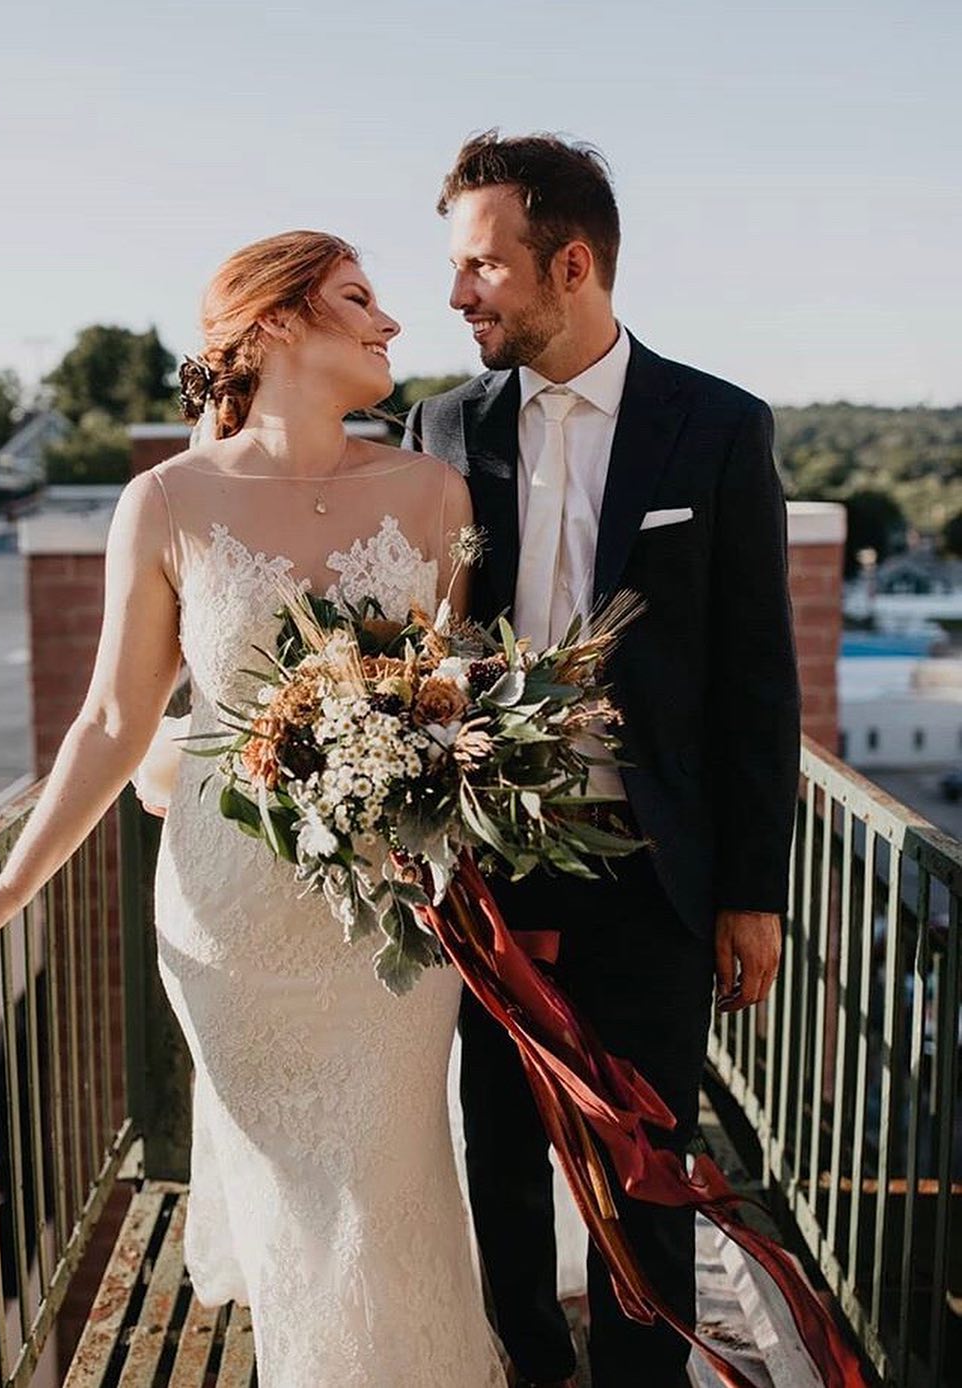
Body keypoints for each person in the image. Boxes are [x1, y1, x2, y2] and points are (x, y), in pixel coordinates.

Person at [0, 231, 507, 1388]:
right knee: (299, 1204)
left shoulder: (431, 491)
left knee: (389, 1172)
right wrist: (6, 884)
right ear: (271, 326)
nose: (392, 322)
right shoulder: (163, 502)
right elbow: (114, 720)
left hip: (389, 915)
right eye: (358, 298)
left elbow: (451, 699)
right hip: (230, 914)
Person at [405, 133, 801, 1388]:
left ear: (568, 263)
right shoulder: (438, 427)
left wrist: (752, 888)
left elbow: (754, 676)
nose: (458, 294)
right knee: (501, 1154)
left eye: (482, 266)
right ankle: (528, 1363)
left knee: (647, 1155)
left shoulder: (719, 426)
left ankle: (646, 1376)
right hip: (483, 865)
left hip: (652, 867)